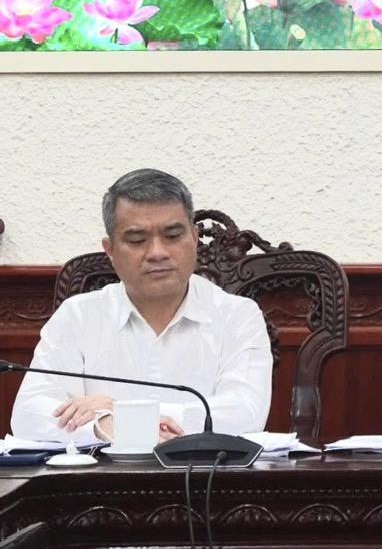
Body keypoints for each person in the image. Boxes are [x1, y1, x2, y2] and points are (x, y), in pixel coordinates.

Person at [10, 169, 272, 445]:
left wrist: (123, 414)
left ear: (195, 238)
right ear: (110, 250)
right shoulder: (78, 316)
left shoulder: (237, 316)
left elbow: (245, 413)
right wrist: (105, 426)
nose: (158, 252)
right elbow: (29, 414)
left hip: (202, 472)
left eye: (173, 236)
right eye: (137, 240)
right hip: (103, 472)